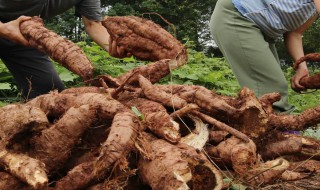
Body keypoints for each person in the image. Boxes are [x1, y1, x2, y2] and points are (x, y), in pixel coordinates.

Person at [0, 0, 127, 99]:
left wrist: (114, 45)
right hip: (4, 25)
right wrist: (3, 29)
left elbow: (93, 24)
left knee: (49, 93)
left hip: (24, 34)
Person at [210, 0, 320, 113]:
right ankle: (280, 128)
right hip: (236, 16)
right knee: (272, 90)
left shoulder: (313, 9)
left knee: (272, 90)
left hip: (262, 29)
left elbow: (295, 34)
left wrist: (302, 66)